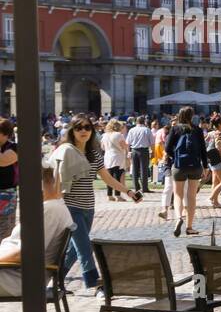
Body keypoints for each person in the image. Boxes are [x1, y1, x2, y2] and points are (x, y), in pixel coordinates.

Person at [51, 115, 141, 294]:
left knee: (75, 250)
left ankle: (54, 282)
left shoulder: (94, 155)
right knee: (84, 246)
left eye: (87, 127)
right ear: (72, 131)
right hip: (70, 207)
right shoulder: (66, 151)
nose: (83, 131)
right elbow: (56, 178)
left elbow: (107, 179)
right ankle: (96, 284)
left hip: (88, 208)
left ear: (92, 131)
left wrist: (129, 192)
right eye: (79, 128)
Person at [0, 164, 73, 297]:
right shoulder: (53, 207)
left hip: (15, 278)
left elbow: (25, 253)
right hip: (11, 272)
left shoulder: (48, 210)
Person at [164, 106, 206, 236]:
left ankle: (178, 218)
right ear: (192, 116)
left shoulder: (175, 129)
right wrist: (205, 166)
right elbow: (203, 150)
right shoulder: (197, 130)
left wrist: (174, 156)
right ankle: (189, 226)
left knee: (178, 195)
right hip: (195, 165)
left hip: (179, 165)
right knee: (191, 196)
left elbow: (167, 148)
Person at [100, 120, 129, 202]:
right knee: (117, 177)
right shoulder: (118, 135)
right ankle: (118, 195)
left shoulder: (104, 135)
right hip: (117, 157)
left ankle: (109, 195)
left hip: (107, 157)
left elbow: (102, 147)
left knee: (109, 177)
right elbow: (123, 146)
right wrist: (126, 147)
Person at [125, 115, 154, 196]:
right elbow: (152, 143)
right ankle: (144, 188)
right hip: (144, 150)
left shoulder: (132, 130)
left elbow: (128, 143)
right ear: (144, 121)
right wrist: (153, 152)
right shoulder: (147, 130)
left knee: (134, 169)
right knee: (144, 169)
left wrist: (128, 152)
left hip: (134, 150)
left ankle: (136, 187)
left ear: (136, 122)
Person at [0, 118, 18, 242]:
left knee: (5, 234)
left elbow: (3, 161)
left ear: (5, 134)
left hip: (7, 195)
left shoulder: (14, 147)